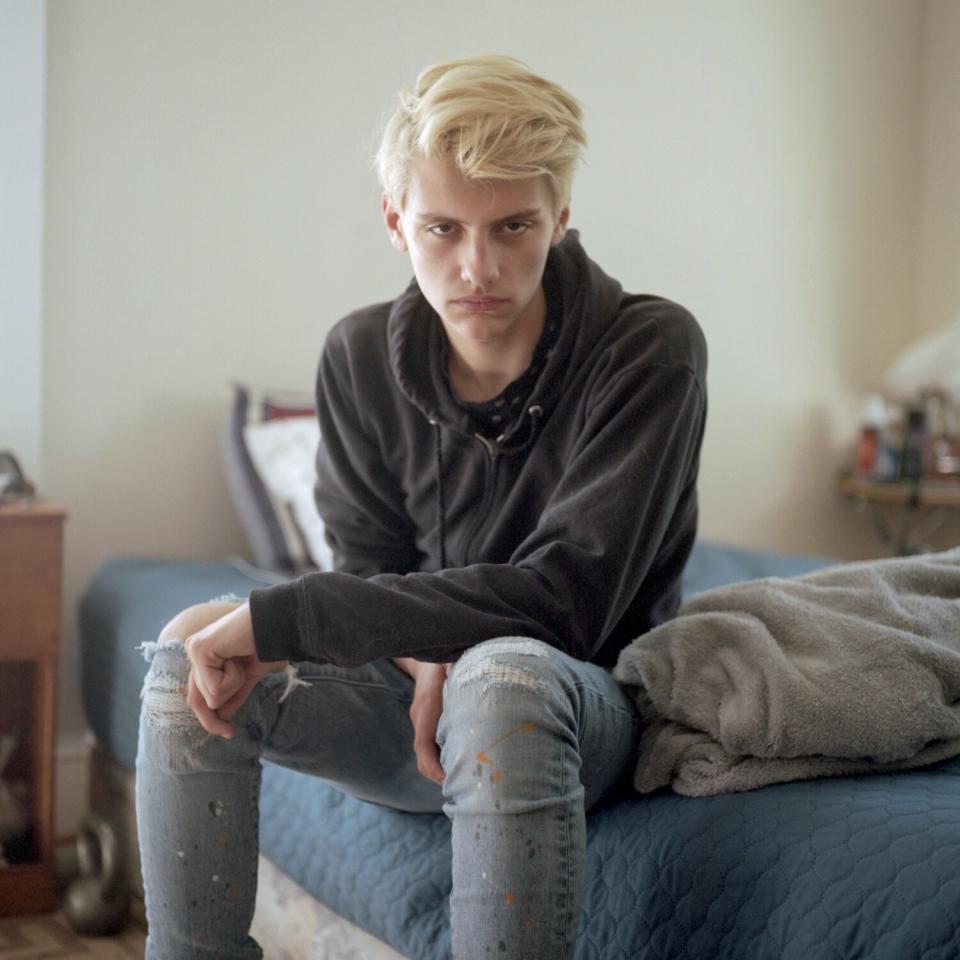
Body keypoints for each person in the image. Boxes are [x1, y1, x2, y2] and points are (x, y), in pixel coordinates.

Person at [136, 54, 707, 959]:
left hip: (574, 708)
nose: (477, 266)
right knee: (184, 648)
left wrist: (317, 621)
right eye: (443, 228)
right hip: (409, 697)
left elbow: (569, 600)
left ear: (561, 218)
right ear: (396, 222)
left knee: (500, 677)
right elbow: (370, 568)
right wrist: (416, 645)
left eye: (514, 225)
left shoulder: (649, 348)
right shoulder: (360, 355)